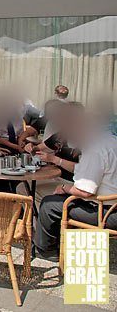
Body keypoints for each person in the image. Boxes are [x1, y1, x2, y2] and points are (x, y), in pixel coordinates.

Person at [34, 104, 117, 260]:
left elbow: (85, 191)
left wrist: (65, 188)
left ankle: (47, 251)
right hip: (111, 204)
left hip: (106, 212)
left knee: (49, 204)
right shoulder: (111, 141)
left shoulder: (94, 149)